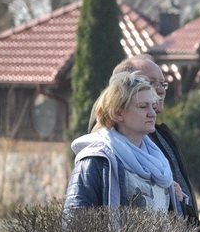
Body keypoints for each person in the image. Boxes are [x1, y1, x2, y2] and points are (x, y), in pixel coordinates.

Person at [64, 72, 185, 217]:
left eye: (152, 107)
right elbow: (75, 222)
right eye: (143, 107)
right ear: (118, 113)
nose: (152, 113)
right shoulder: (95, 160)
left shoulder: (159, 162)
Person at [108, 56, 200, 225]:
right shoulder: (107, 146)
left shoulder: (159, 134)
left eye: (162, 84)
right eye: (151, 82)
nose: (160, 90)